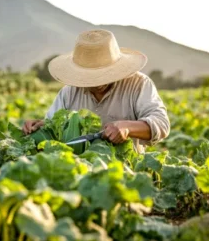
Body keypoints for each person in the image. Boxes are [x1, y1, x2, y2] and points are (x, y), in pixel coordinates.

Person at [22, 29, 170, 153]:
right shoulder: (69, 92)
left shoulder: (138, 84)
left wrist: (127, 127)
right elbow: (54, 125)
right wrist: (40, 126)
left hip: (127, 176)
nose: (99, 83)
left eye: (105, 75)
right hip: (79, 176)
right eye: (91, 77)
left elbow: (161, 124)